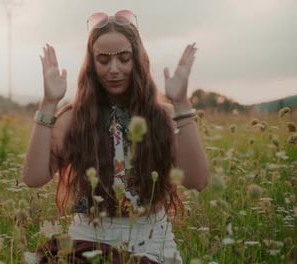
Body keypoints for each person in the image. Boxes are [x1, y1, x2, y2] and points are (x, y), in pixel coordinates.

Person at [23, 10, 209, 264]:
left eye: (124, 58)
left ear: (138, 60)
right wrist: (48, 103)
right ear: (91, 63)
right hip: (86, 241)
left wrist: (181, 104)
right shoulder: (73, 118)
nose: (114, 69)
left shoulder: (162, 115)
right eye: (103, 60)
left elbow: (197, 180)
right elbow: (33, 178)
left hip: (150, 245)